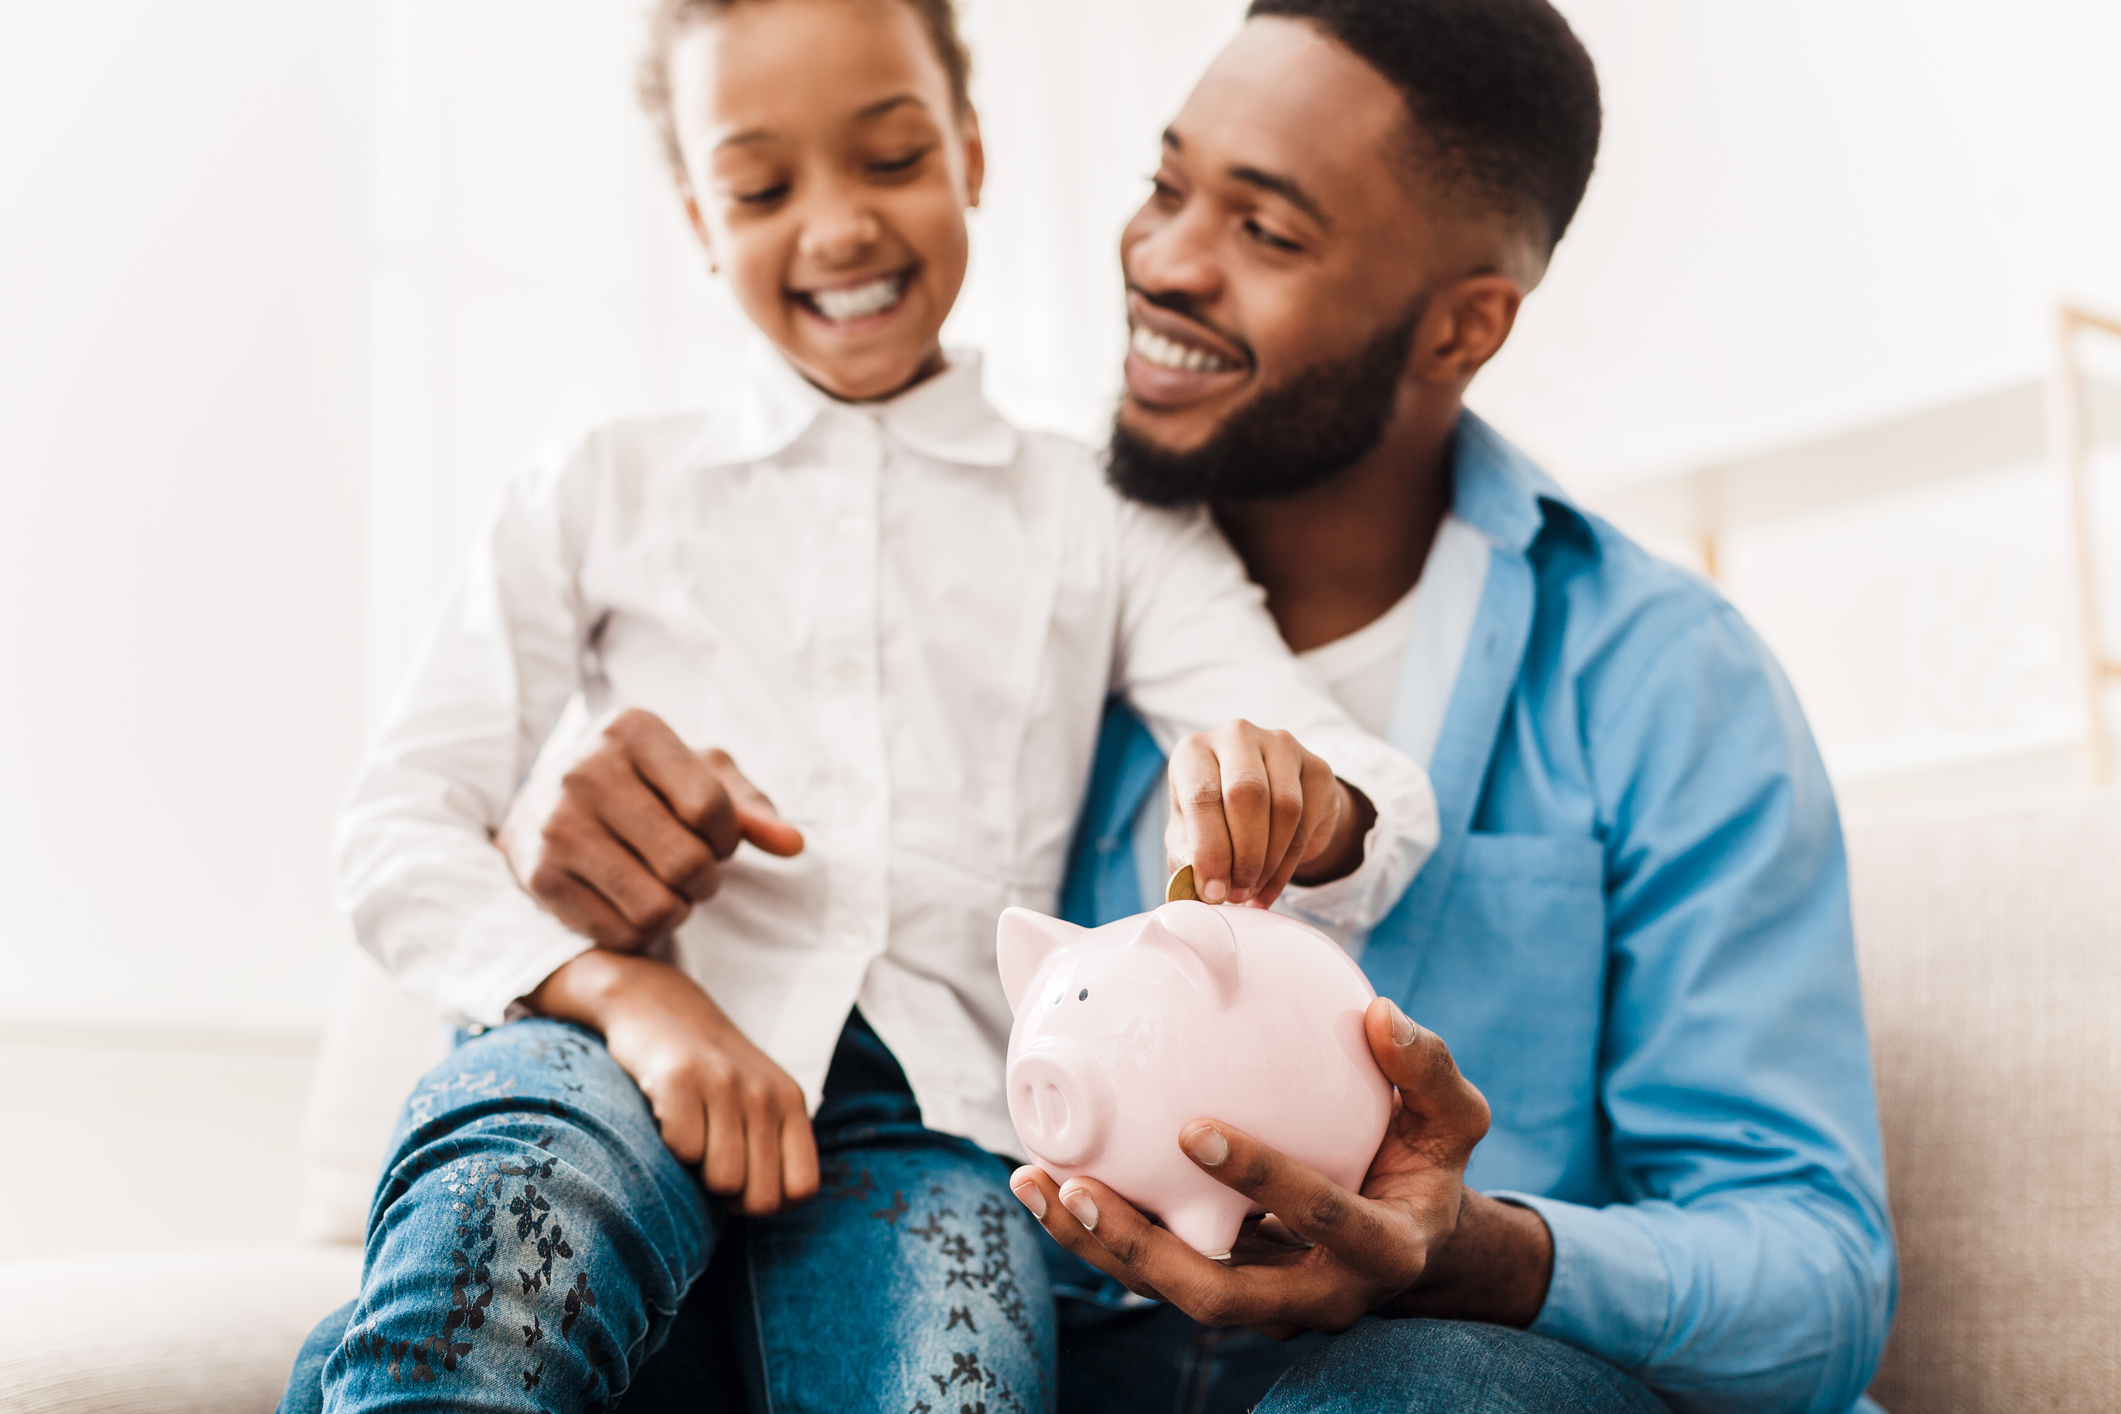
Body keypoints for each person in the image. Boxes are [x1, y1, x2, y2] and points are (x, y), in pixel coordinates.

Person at [279, 0, 1438, 1410]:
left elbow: (1359, 775)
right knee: (485, 1302)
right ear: (699, 216)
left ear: (968, 151)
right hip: (601, 1049)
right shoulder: (592, 490)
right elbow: (397, 829)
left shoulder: (1100, 514)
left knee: (953, 1385)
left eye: (888, 159)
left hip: (937, 1126)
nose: (833, 230)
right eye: (763, 187)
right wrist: (624, 992)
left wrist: (1310, 800)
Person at [1010, 3, 1898, 1413]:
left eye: (1267, 232)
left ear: (1460, 325)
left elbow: (1816, 1281)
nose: (1164, 261)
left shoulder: (1661, 675)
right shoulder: (1024, 605)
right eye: (1168, 186)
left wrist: (1470, 1254)